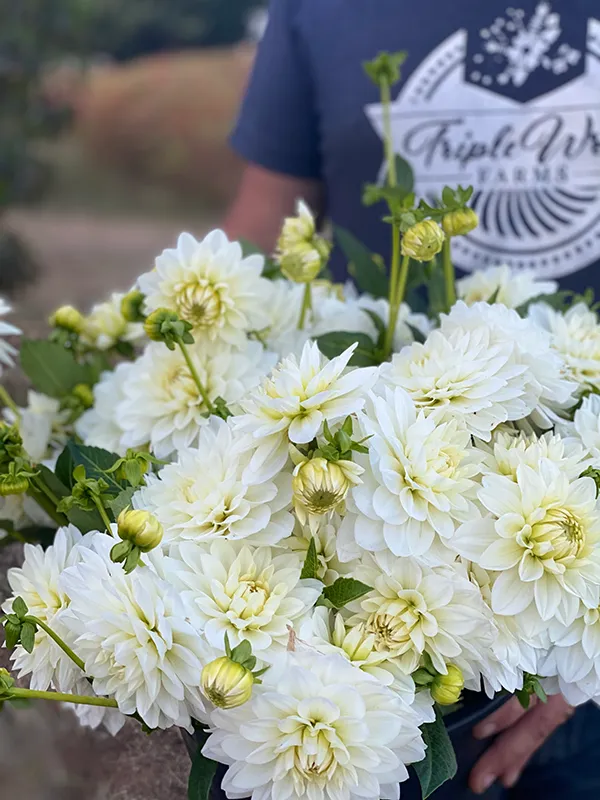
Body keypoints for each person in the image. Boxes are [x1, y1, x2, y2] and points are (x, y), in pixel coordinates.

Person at [222, 1, 600, 797]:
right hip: (356, 564)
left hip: (574, 622)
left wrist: (586, 654)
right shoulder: (316, 12)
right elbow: (261, 227)